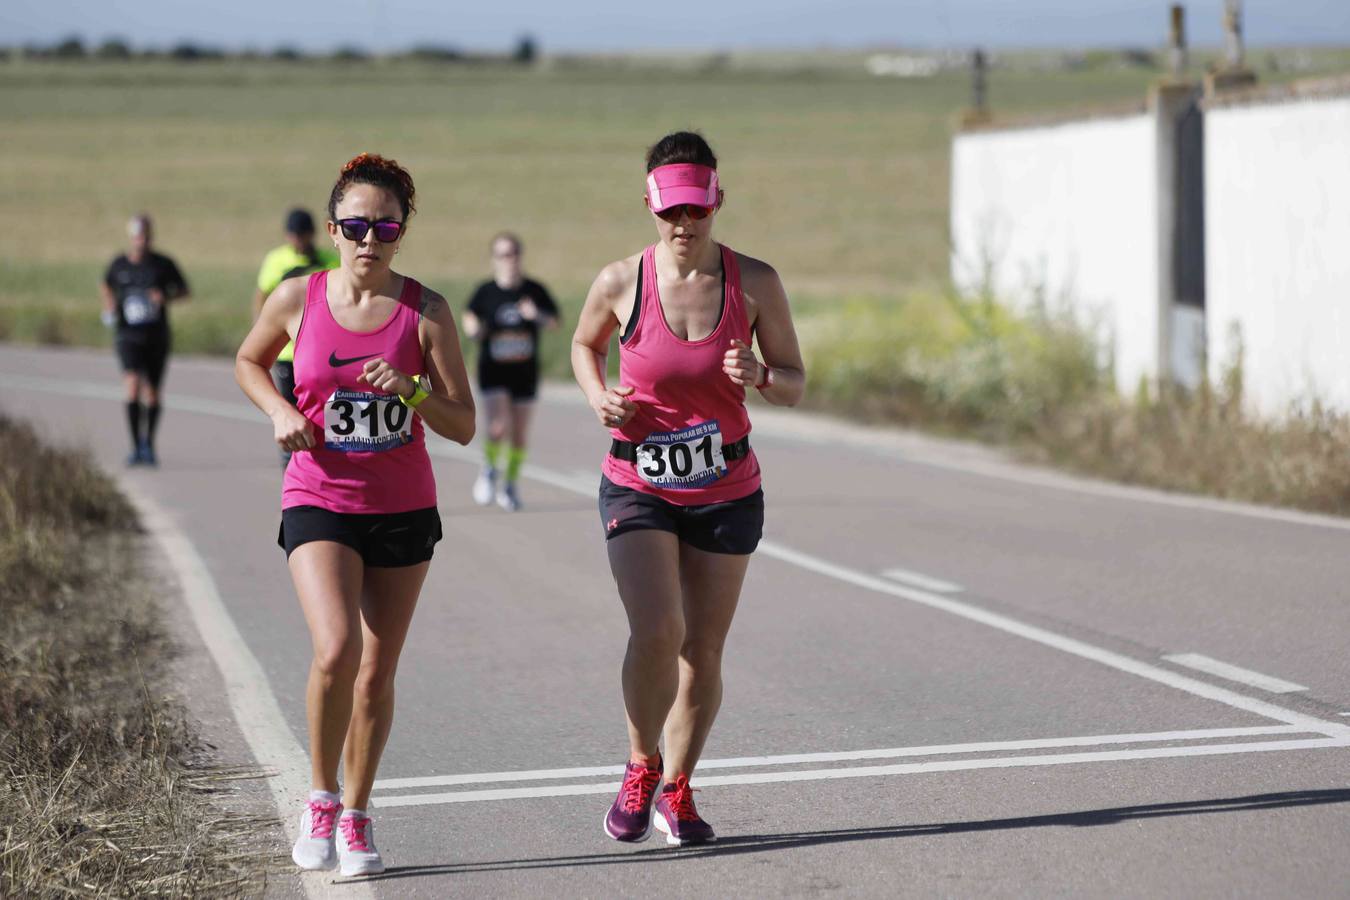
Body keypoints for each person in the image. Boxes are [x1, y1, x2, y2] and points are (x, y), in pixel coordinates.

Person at [234, 154, 475, 877]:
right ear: (334, 228)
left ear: (403, 230)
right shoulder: (293, 297)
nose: (371, 239)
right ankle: (321, 798)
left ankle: (360, 815)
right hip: (320, 495)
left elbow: (463, 424)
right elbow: (248, 362)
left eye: (387, 226)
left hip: (402, 507)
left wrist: (411, 390)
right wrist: (279, 410)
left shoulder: (426, 311)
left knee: (376, 673)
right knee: (336, 649)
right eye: (357, 225)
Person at [571, 132, 805, 846]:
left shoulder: (754, 282)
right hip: (639, 480)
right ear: (650, 205)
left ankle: (678, 787)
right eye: (671, 211)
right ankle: (641, 764)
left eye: (696, 210)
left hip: (727, 486)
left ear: (717, 202)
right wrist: (597, 393)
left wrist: (760, 377)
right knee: (658, 628)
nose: (684, 224)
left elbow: (795, 383)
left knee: (701, 649)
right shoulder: (621, 282)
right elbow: (583, 346)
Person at [462, 232, 559, 511]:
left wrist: (535, 316)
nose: (510, 260)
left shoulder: (533, 290)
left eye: (514, 253)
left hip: (525, 372)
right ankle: (490, 469)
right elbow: (470, 316)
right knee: (496, 426)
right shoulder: (486, 292)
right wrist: (475, 330)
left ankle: (511, 484)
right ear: (494, 259)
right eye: (503, 254)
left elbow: (553, 321)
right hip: (493, 370)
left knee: (518, 434)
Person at [99, 214, 190, 466]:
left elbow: (184, 290)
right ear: (131, 237)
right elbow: (106, 284)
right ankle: (134, 445)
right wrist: (109, 306)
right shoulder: (119, 265)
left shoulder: (162, 264)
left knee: (152, 393)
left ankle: (148, 443)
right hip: (128, 335)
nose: (142, 241)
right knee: (131, 384)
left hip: (156, 336)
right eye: (138, 236)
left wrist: (165, 297)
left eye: (146, 236)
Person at [253, 208, 341, 469]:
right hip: (287, 353)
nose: (298, 241)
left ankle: (320, 460)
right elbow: (262, 295)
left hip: (319, 351)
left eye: (303, 236)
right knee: (292, 410)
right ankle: (292, 461)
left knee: (319, 412)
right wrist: (261, 332)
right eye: (294, 236)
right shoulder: (276, 260)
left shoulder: (328, 259)